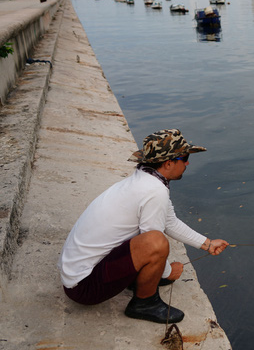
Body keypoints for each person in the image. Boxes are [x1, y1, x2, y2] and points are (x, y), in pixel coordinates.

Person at [58, 129, 229, 324]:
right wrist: (167, 272)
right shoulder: (154, 191)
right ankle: (145, 303)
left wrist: (207, 244)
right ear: (169, 163)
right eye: (185, 157)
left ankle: (140, 281)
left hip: (79, 276)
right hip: (85, 288)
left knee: (154, 239)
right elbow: (152, 242)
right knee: (157, 242)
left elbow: (169, 221)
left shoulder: (145, 179)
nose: (188, 163)